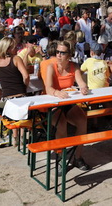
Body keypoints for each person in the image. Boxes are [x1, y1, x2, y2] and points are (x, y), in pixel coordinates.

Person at [44, 40, 90, 171]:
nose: (58, 55)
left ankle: (78, 157)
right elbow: (48, 88)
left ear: (69, 55)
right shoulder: (51, 67)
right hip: (53, 103)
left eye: (62, 53)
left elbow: (81, 82)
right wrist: (57, 92)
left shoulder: (74, 66)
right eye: (57, 52)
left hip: (68, 102)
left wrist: (84, 87)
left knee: (82, 121)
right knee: (61, 124)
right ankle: (60, 158)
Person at [0, 37, 30, 144]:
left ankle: (15, 137)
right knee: (22, 117)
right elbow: (26, 76)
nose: (16, 48)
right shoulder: (16, 59)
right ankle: (22, 137)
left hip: (6, 98)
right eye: (14, 47)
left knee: (13, 116)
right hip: (20, 95)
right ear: (8, 48)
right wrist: (25, 86)